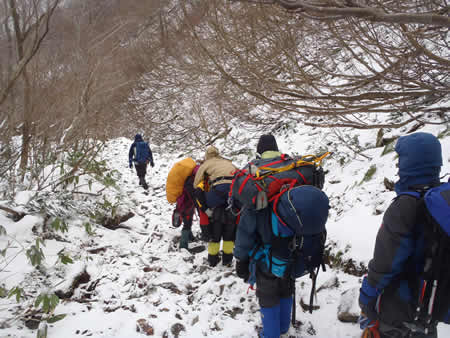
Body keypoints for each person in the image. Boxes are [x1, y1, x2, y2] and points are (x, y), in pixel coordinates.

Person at [359, 132, 444, 338]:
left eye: (401, 160)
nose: (397, 166)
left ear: (409, 164)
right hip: (431, 305)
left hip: (399, 308)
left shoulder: (405, 207)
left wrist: (366, 299)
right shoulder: (442, 202)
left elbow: (385, 264)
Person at [234, 134, 294, 338]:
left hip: (266, 251)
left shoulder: (255, 176)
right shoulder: (291, 167)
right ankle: (284, 328)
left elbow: (246, 226)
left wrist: (241, 257)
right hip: (294, 245)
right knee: (286, 286)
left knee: (268, 292)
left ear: (259, 152)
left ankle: (270, 334)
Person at [193, 146, 238, 267]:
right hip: (233, 192)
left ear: (207, 155)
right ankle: (228, 259)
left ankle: (213, 259)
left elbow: (196, 184)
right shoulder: (228, 162)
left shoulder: (206, 164)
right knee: (230, 223)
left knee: (216, 223)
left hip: (217, 192)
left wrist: (205, 208)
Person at [177, 164, 200, 249]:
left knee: (188, 221)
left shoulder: (186, 179)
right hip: (186, 205)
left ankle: (190, 237)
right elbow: (192, 196)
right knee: (187, 223)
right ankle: (183, 245)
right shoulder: (190, 182)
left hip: (182, 204)